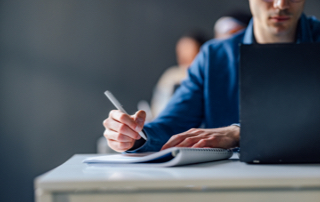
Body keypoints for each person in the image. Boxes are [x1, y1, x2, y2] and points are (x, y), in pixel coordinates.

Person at [103, 0, 320, 153]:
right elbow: (172, 124)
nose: (281, 4)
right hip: (230, 191)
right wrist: (134, 136)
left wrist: (240, 133)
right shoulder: (214, 57)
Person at [150, 30, 208, 118]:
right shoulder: (171, 76)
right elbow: (157, 104)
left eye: (188, 49)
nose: (184, 55)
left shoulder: (205, 78)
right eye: (181, 50)